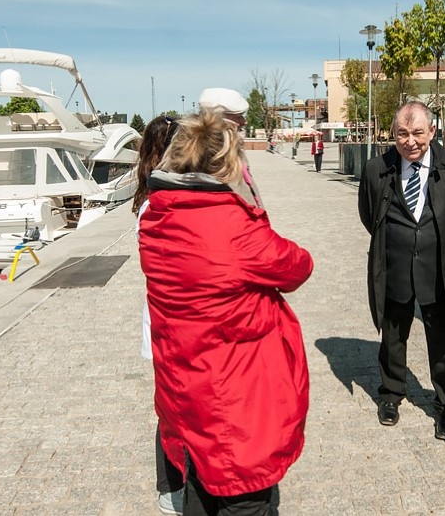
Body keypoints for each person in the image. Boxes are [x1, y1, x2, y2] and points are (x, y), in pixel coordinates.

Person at [139, 110, 313, 515]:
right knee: (245, 499)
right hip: (235, 403)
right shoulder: (234, 227)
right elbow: (297, 266)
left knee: (199, 492)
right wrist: (247, 201)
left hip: (184, 392)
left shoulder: (158, 218)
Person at [358, 100, 445, 441]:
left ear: (433, 132)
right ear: (393, 133)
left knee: (444, 343)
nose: (410, 141)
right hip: (394, 267)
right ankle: (391, 393)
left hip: (440, 271)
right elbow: (370, 216)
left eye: (418, 133)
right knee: (393, 336)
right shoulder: (375, 168)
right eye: (402, 133)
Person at [133, 115, 185, 515]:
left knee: (179, 405)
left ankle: (181, 485)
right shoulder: (156, 202)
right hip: (171, 322)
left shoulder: (154, 196)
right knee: (172, 408)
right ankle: (171, 488)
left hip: (175, 320)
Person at [199, 87, 263, 208]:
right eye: (238, 116)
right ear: (218, 119)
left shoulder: (232, 148)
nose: (244, 121)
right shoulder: (206, 153)